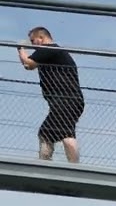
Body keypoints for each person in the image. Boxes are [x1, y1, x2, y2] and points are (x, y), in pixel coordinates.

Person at [16, 26, 84, 163]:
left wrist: (20, 48)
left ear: (41, 38)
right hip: (69, 101)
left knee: (51, 133)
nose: (33, 45)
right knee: (61, 132)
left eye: (33, 41)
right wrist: (22, 53)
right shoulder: (51, 52)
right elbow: (29, 66)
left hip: (65, 100)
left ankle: (50, 164)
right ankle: (65, 165)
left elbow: (28, 62)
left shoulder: (49, 48)